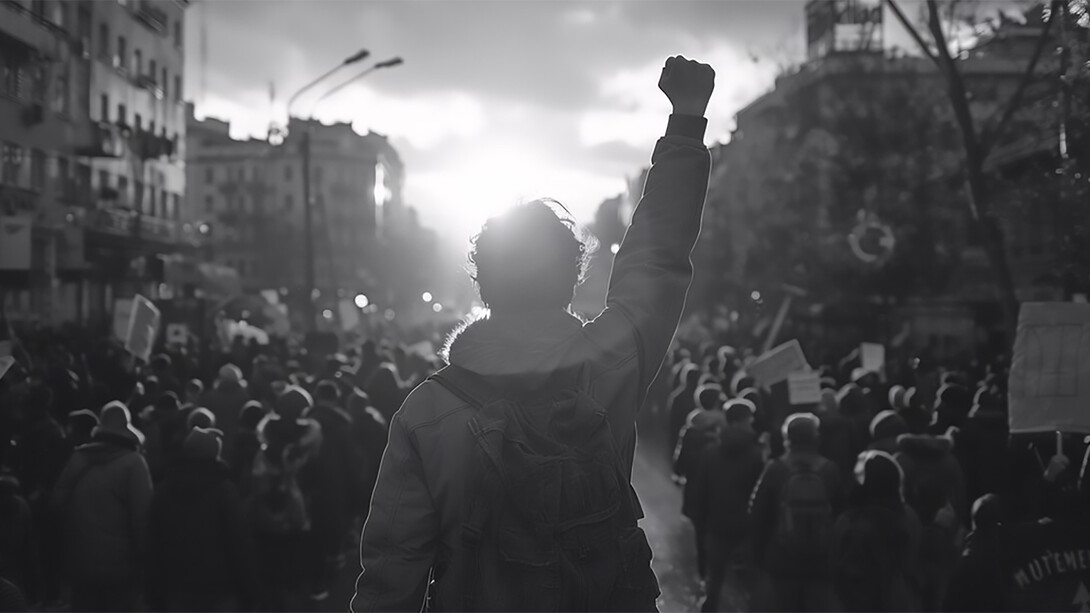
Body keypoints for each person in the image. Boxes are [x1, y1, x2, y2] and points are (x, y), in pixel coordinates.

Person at [353, 55, 715, 612]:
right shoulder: (611, 363)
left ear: (483, 281)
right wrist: (686, 123)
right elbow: (657, 261)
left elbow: (390, 577)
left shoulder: (425, 414)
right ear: (572, 277)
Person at [50, 401, 152, 612]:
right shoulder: (134, 463)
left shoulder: (78, 458)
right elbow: (143, 518)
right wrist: (147, 560)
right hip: (121, 567)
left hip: (80, 563)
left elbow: (56, 504)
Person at [148, 427, 258, 612]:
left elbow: (153, 541)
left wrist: (154, 592)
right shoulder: (224, 490)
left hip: (176, 584)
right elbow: (239, 542)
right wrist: (249, 591)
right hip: (218, 586)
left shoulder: (165, 489)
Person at [749, 412, 845, 612]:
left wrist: (760, 556)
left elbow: (757, 514)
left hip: (782, 559)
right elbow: (841, 515)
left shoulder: (775, 469)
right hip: (821, 560)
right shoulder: (829, 469)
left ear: (787, 438)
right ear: (816, 437)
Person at [691, 398, 765, 612]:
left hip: (717, 525)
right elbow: (760, 495)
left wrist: (701, 526)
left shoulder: (710, 452)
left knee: (714, 584)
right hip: (748, 528)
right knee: (752, 586)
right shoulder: (757, 454)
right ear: (742, 421)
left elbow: (701, 495)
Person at [831, 450, 922, 612]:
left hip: (857, 603)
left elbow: (837, 560)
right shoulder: (908, 516)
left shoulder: (848, 520)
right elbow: (913, 560)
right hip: (898, 599)